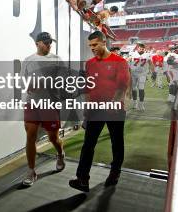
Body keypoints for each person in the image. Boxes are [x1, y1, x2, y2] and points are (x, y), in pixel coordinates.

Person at [69, 31, 130, 192]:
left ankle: (115, 172)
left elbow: (122, 87)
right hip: (95, 110)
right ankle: (82, 179)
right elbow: (89, 88)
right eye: (90, 45)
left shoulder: (120, 61)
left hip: (114, 110)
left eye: (95, 44)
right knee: (88, 144)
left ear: (104, 42)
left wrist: (112, 105)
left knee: (116, 143)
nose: (92, 48)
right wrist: (87, 112)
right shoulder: (89, 63)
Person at [20, 32, 65, 186]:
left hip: (50, 104)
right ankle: (31, 171)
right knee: (30, 136)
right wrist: (29, 86)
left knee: (53, 138)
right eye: (45, 42)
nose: (48, 44)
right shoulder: (28, 60)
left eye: (50, 42)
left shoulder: (57, 60)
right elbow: (22, 82)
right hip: (32, 103)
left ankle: (60, 153)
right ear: (37, 43)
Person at [128, 43, 152, 111]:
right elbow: (127, 60)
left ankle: (141, 104)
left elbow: (150, 63)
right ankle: (135, 103)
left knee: (141, 89)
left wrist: (153, 71)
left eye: (142, 49)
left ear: (144, 49)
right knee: (133, 88)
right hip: (133, 73)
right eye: (140, 48)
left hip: (142, 74)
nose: (141, 50)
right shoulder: (133, 54)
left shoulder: (147, 55)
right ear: (137, 48)